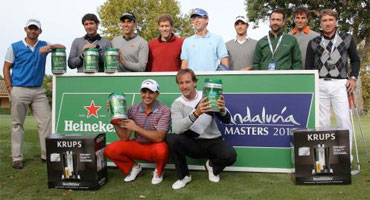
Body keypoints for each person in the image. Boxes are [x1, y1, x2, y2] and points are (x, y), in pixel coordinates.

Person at [3, 19, 65, 169]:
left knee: (46, 122)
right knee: (17, 124)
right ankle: (17, 158)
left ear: (40, 31)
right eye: (30, 28)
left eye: (35, 29)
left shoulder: (44, 45)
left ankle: (46, 155)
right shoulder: (14, 47)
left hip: (38, 90)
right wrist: (10, 88)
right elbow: (6, 68)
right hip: (19, 89)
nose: (32, 31)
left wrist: (49, 47)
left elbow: (62, 47)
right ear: (25, 29)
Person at [167, 69, 237, 190]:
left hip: (212, 141)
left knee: (230, 155)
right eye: (181, 83)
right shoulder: (176, 104)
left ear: (194, 83)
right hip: (192, 143)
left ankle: (212, 166)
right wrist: (197, 112)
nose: (184, 86)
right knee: (172, 138)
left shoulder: (208, 95)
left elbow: (227, 120)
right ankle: (184, 176)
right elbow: (177, 129)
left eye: (187, 82)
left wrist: (222, 109)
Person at [305, 9, 360, 158]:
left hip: (340, 84)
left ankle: (345, 158)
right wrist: (312, 84)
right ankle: (323, 159)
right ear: (320, 23)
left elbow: (355, 60)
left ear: (336, 21)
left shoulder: (347, 38)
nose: (327, 23)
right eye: (324, 20)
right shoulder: (314, 42)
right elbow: (308, 66)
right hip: (320, 83)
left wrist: (353, 78)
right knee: (322, 123)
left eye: (330, 20)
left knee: (343, 120)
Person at [104, 79, 170, 184]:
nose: (147, 95)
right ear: (140, 93)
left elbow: (159, 137)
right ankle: (134, 167)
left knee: (162, 150)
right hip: (138, 145)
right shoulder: (133, 109)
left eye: (151, 92)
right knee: (110, 150)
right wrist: (114, 116)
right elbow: (124, 137)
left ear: (157, 94)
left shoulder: (164, 110)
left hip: (155, 146)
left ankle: (158, 171)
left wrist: (136, 128)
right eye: (144, 92)